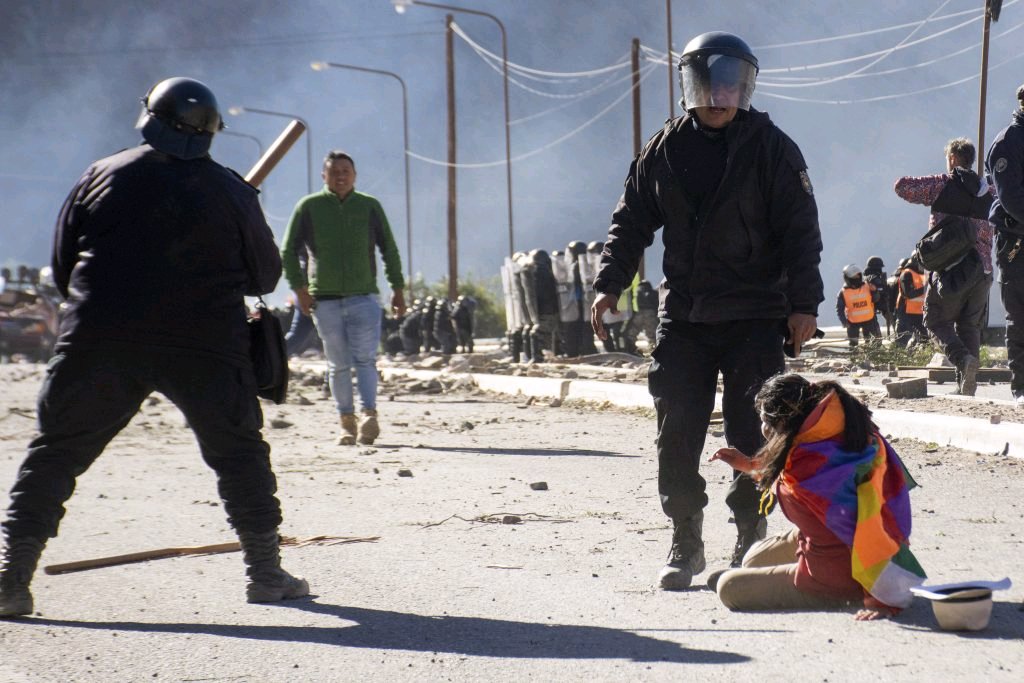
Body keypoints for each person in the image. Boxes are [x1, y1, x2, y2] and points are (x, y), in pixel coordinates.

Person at [0, 77, 308, 618]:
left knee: (57, 452)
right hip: (206, 343)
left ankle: (11, 579)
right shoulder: (232, 191)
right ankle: (265, 574)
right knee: (238, 454)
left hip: (101, 337)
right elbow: (264, 274)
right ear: (211, 134)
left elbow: (65, 264)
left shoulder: (102, 175)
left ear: (150, 117)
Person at [590, 31, 824, 591]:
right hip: (687, 316)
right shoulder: (663, 151)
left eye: (729, 87)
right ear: (689, 86)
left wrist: (804, 304)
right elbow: (630, 224)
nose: (718, 98)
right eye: (708, 86)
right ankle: (686, 539)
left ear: (743, 87)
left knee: (753, 436)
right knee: (676, 429)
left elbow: (801, 232)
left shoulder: (773, 149)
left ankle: (750, 534)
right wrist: (609, 285)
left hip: (754, 315)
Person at [707, 374, 925, 619]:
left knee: (729, 588)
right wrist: (750, 465)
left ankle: (847, 590)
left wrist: (881, 598)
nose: (764, 430)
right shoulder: (836, 430)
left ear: (778, 422)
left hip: (837, 570)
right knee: (754, 559)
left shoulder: (808, 464)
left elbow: (864, 532)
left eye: (765, 421)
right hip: (823, 537)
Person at [281, 150, 405, 446]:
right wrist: (300, 290)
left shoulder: (369, 206)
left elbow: (389, 249)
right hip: (325, 300)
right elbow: (287, 250)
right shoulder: (308, 207)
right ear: (323, 176)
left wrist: (398, 289)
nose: (340, 176)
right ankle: (346, 421)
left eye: (345, 171)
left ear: (355, 175)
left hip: (364, 298)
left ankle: (369, 415)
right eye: (334, 171)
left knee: (365, 359)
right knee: (337, 364)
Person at [895, 137, 993, 396]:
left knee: (935, 319)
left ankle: (962, 360)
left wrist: (939, 182)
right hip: (983, 272)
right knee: (969, 325)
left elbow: (902, 187)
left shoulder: (943, 184)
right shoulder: (989, 190)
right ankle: (967, 386)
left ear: (952, 158)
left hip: (950, 271)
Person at [986, 86, 1024, 406]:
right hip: (1017, 241)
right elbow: (1012, 199)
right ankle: (1022, 386)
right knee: (1020, 311)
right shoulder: (1008, 143)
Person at [835, 264, 880, 348]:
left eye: (858, 276)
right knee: (853, 345)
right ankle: (854, 360)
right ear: (848, 278)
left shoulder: (867, 286)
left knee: (871, 344)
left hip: (869, 320)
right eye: (854, 277)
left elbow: (875, 299)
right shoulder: (843, 292)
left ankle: (872, 360)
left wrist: (874, 291)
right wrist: (844, 322)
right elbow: (839, 309)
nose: (857, 278)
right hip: (852, 323)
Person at [895, 255, 928, 348]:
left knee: (924, 337)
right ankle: (899, 356)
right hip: (906, 312)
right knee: (903, 337)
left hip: (920, 312)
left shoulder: (923, 275)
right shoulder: (907, 274)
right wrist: (925, 288)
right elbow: (908, 294)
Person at [863, 256, 894, 336]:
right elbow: (881, 289)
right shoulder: (874, 278)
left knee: (873, 330)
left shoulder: (865, 278)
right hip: (878, 303)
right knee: (894, 320)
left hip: (868, 306)